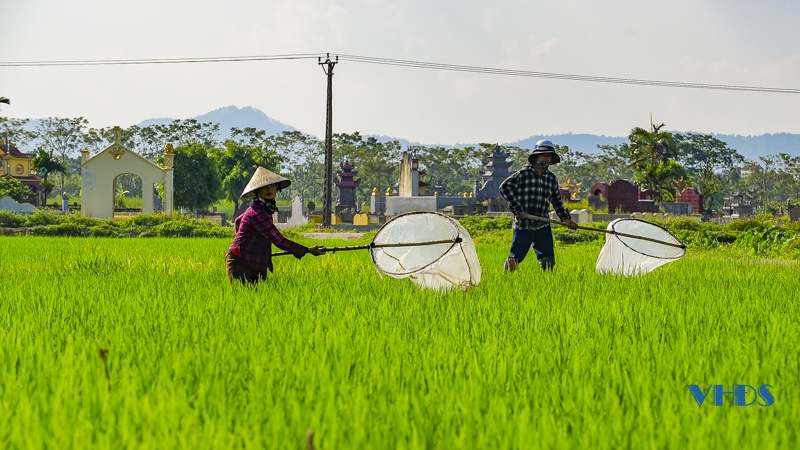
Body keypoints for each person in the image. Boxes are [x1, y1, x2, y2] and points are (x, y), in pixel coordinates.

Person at [226, 167, 325, 284]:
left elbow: (238, 221)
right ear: (257, 191)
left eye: (272, 185)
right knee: (243, 299)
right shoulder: (257, 213)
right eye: (264, 186)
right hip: (240, 262)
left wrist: (245, 240)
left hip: (254, 261)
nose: (269, 189)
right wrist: (306, 250)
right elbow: (278, 240)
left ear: (277, 188)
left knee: (258, 299)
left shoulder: (263, 208)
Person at [499, 140, 578, 272]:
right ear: (536, 156)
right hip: (524, 224)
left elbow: (557, 201)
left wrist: (565, 219)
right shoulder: (523, 174)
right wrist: (518, 209)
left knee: (548, 259)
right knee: (515, 258)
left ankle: (546, 283)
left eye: (549, 156)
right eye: (544, 155)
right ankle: (506, 278)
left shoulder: (551, 178)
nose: (546, 158)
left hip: (542, 224)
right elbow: (504, 188)